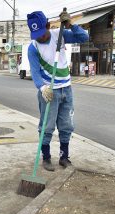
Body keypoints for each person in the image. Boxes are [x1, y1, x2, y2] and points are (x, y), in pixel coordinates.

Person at [27, 10, 88, 171]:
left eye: (41, 32)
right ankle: (46, 158)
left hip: (66, 89)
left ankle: (64, 157)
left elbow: (84, 37)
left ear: (47, 25)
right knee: (46, 126)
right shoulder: (33, 47)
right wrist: (42, 87)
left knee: (66, 125)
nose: (40, 37)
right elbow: (35, 72)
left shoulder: (59, 35)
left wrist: (70, 25)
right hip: (49, 91)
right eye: (36, 34)